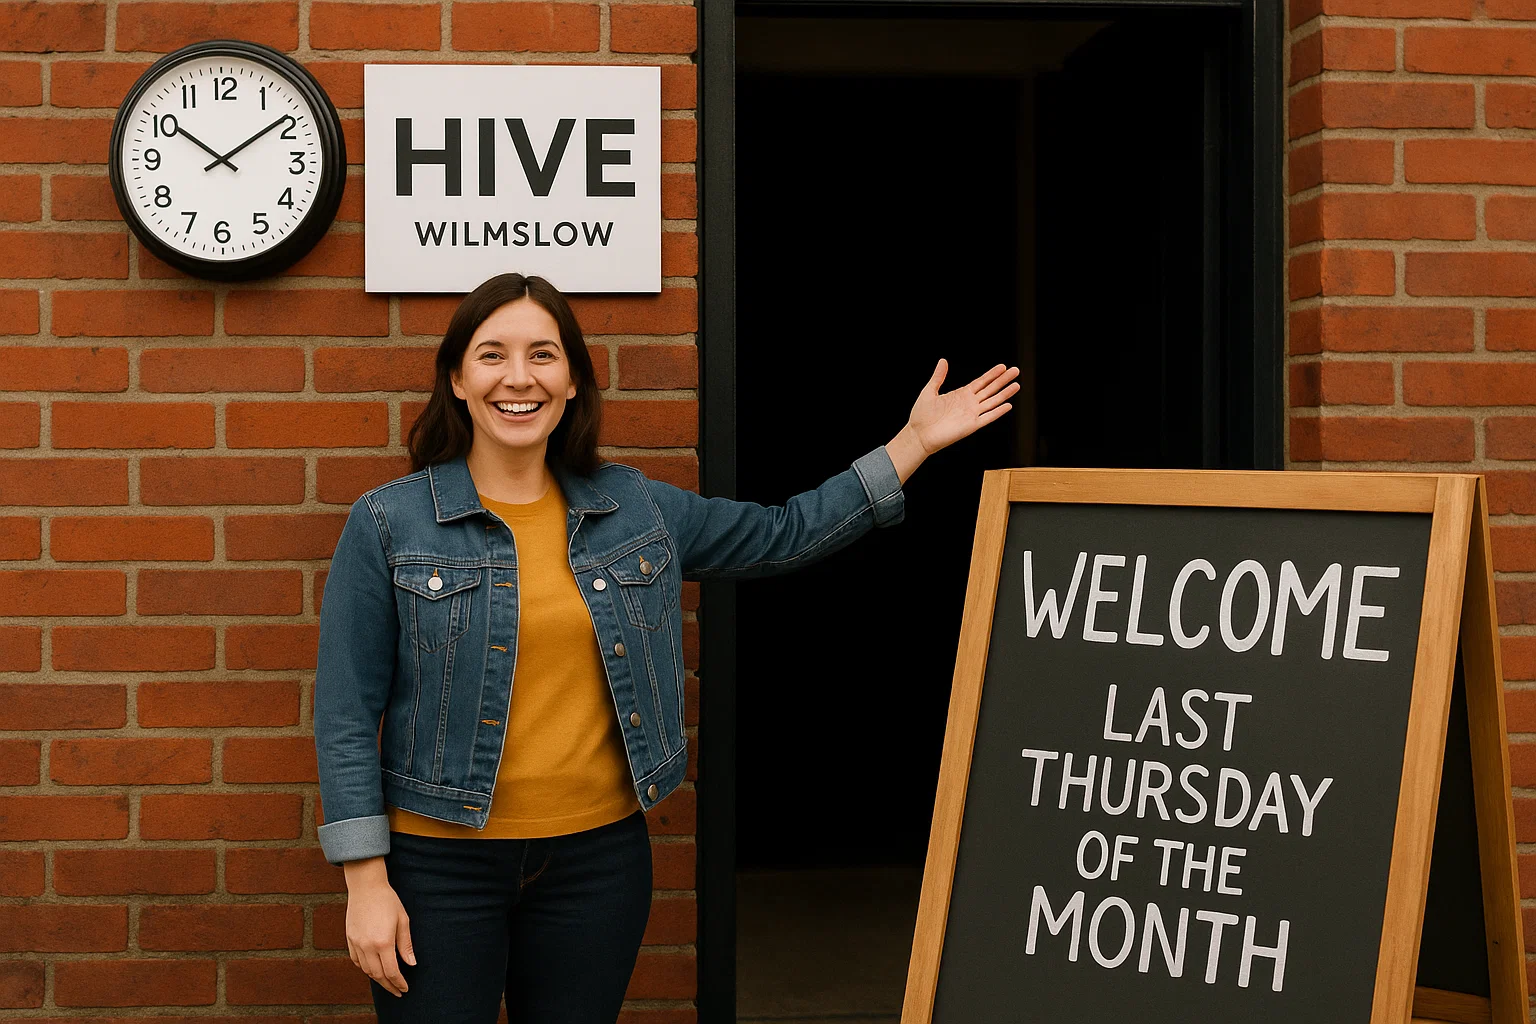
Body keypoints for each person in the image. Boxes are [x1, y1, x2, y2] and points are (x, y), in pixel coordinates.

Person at [312, 272, 1020, 1023]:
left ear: (575, 380)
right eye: (492, 355)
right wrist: (366, 881)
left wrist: (912, 443)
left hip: (595, 864)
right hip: (437, 868)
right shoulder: (390, 524)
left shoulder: (637, 510)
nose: (518, 378)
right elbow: (346, 712)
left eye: (543, 355)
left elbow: (782, 534)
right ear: (457, 378)